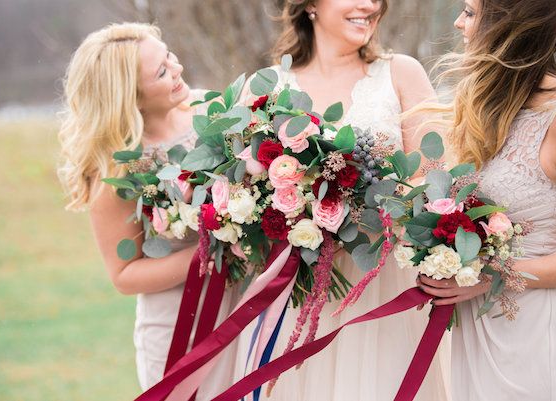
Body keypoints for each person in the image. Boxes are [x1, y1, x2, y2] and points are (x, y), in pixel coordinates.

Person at [234, 1, 450, 400]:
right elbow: (242, 190)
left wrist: (361, 201)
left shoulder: (400, 73)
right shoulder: (267, 86)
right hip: (294, 295)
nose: (369, 5)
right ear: (310, 5)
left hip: (383, 288)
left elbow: (436, 180)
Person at [57, 22, 238, 398]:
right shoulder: (117, 170)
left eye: (169, 56)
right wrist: (212, 249)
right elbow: (124, 274)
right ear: (132, 97)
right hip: (181, 330)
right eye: (161, 72)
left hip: (247, 310)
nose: (178, 69)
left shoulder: (215, 112)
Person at [417, 1, 556, 399]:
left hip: (534, 335)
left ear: (509, 26)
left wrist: (492, 274)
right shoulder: (488, 106)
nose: (458, 22)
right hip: (478, 330)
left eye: (470, 12)